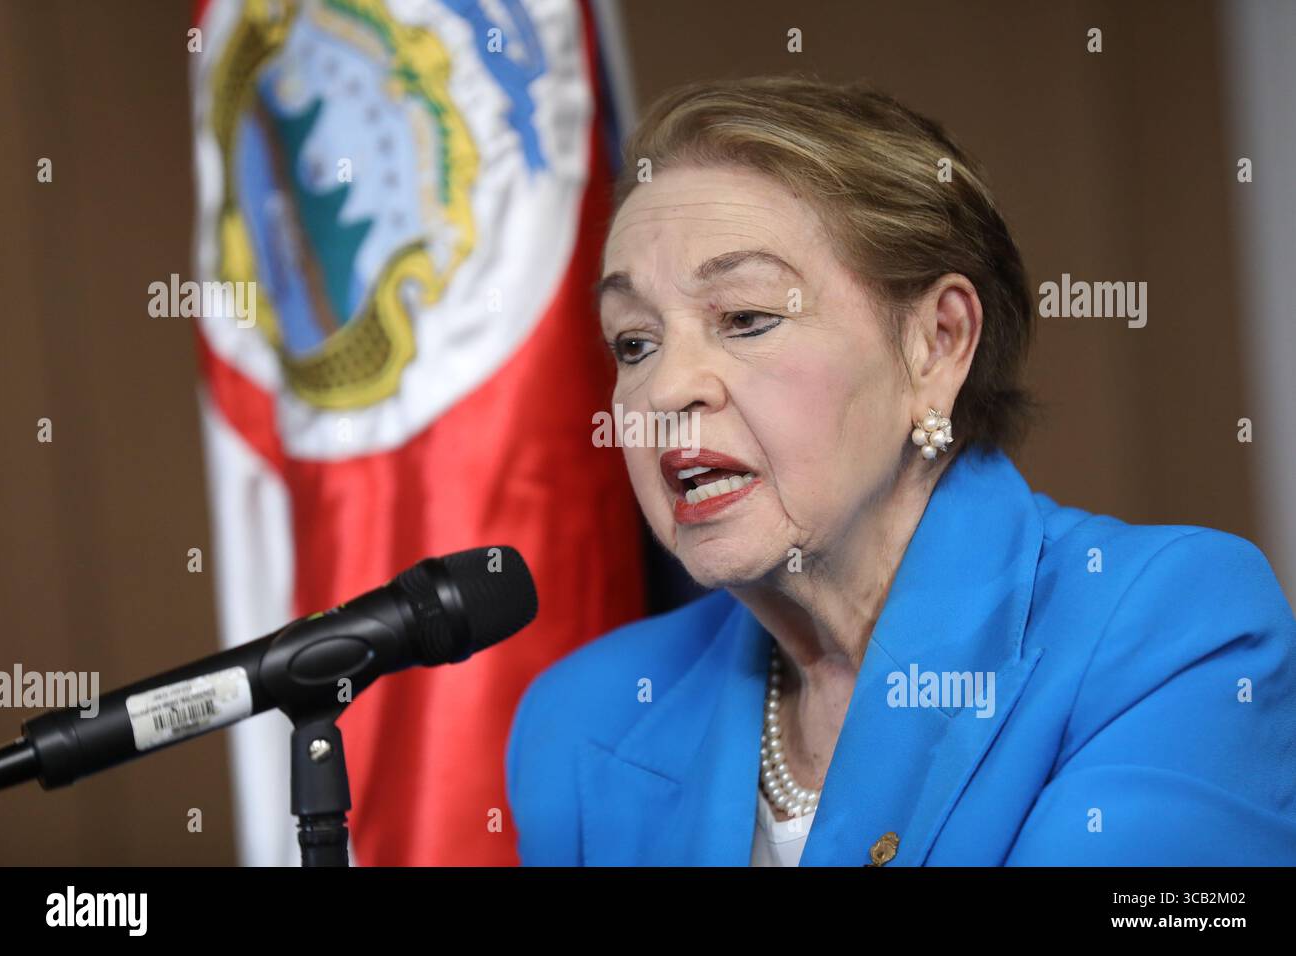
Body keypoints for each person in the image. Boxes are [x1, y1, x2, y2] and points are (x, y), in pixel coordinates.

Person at [505, 75, 1296, 865]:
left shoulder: (1171, 628)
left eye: (745, 317)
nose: (667, 388)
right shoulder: (582, 720)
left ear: (937, 343)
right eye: (634, 342)